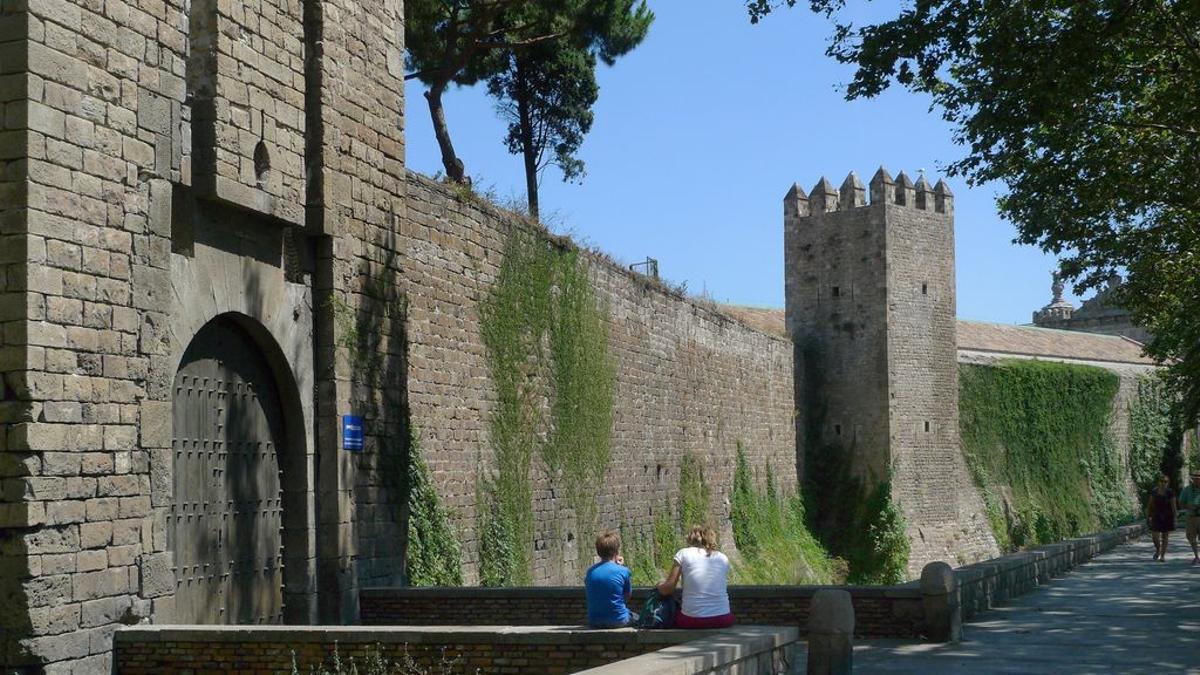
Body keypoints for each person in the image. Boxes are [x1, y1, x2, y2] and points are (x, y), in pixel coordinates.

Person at [657, 525, 734, 629]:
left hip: (693, 620)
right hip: (723, 619)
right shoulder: (723, 558)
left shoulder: (683, 553)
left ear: (690, 539)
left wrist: (659, 585)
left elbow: (668, 589)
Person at [585, 529, 635, 628]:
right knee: (637, 618)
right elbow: (627, 596)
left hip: (594, 621)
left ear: (598, 552)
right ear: (616, 551)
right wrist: (621, 566)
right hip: (619, 620)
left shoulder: (590, 572)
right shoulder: (623, 571)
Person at [1145, 474, 1176, 561]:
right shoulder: (1154, 491)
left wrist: (1175, 517)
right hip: (1156, 515)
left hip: (1167, 516)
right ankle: (1158, 549)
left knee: (1165, 536)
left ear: (1168, 483)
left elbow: (1173, 506)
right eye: (1161, 481)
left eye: (1165, 482)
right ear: (1158, 482)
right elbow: (1149, 505)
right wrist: (1148, 516)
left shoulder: (1170, 492)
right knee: (1155, 537)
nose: (1163, 483)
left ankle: (1162, 556)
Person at [1179, 470, 1200, 565]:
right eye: (1195, 479)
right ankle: (1196, 556)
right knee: (1190, 536)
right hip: (1191, 516)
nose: (1197, 480)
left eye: (1198, 479)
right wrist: (1189, 506)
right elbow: (1181, 503)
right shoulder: (1187, 489)